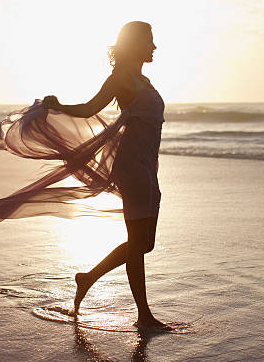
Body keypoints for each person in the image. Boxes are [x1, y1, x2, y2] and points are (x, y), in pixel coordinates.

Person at [42, 21, 167, 330]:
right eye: (149, 40)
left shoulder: (144, 79)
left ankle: (87, 278)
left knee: (145, 243)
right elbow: (88, 109)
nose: (154, 47)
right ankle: (144, 316)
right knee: (137, 242)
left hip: (148, 167)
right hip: (132, 167)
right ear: (135, 43)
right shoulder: (121, 78)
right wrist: (58, 106)